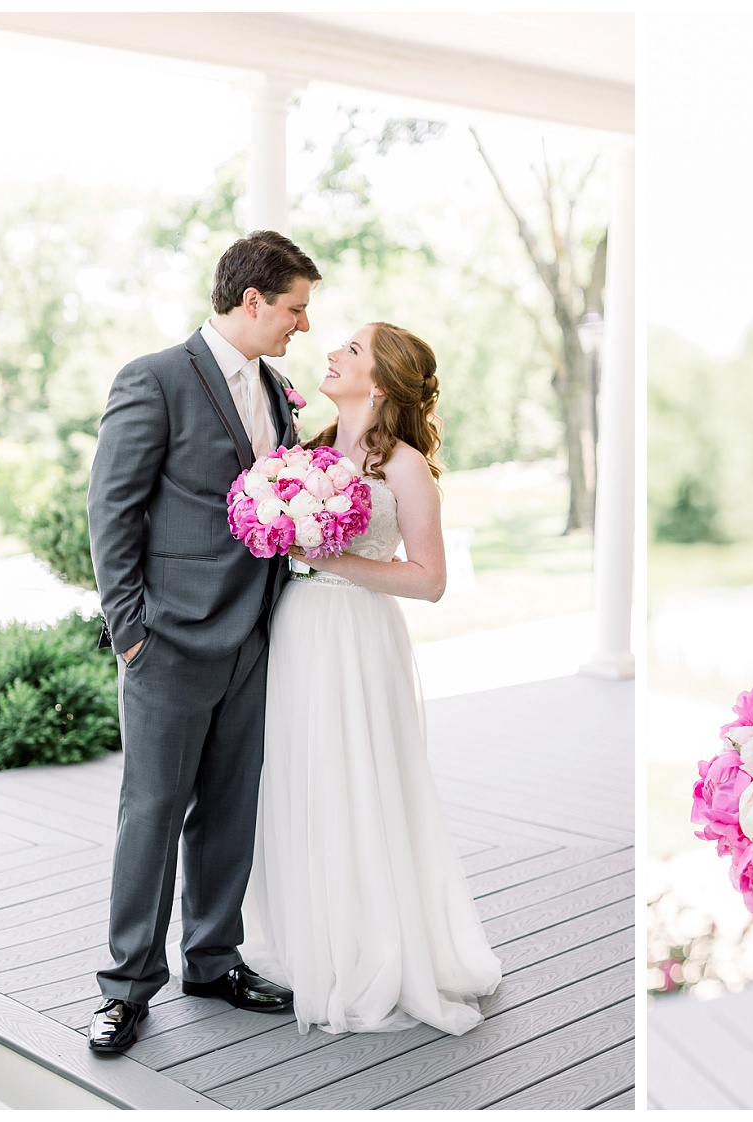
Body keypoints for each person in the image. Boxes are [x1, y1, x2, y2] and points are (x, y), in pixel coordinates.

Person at [86, 230, 320, 1052]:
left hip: (255, 633)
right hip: (169, 641)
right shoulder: (153, 379)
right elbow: (111, 513)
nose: (302, 325)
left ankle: (214, 959)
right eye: (294, 308)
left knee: (230, 807)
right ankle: (125, 987)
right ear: (252, 300)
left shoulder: (279, 389)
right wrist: (131, 634)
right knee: (151, 813)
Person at [240, 322, 503, 1035]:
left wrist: (327, 560)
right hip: (298, 630)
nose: (333, 353)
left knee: (364, 778)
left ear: (381, 380)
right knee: (305, 774)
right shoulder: (306, 449)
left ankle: (377, 946)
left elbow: (430, 581)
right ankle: (314, 938)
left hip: (359, 634)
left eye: (352, 350)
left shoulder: (406, 467)